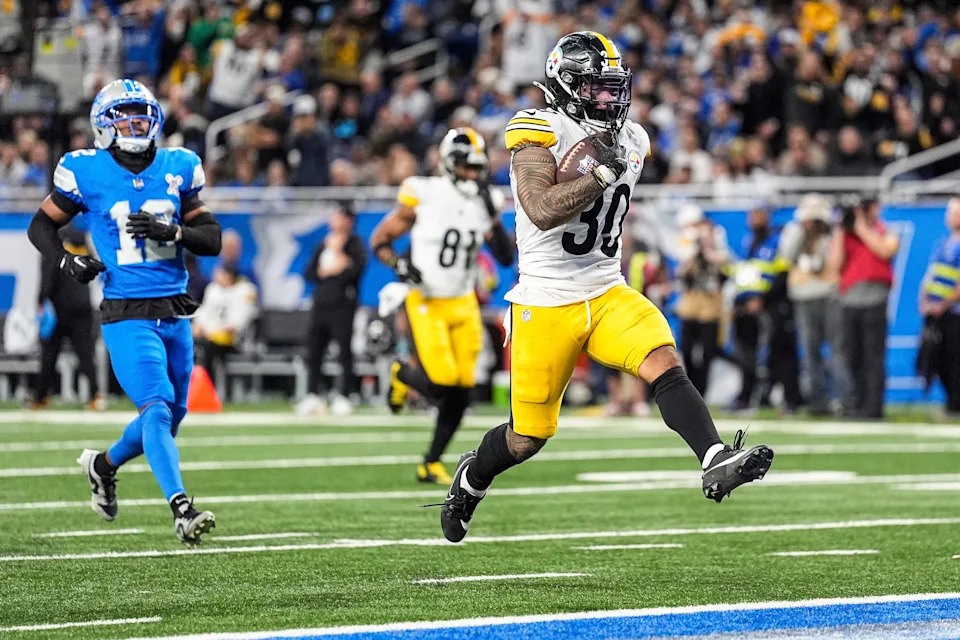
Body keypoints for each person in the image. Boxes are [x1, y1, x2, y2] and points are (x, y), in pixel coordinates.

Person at [438, 33, 773, 543]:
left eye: (614, 87)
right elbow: (541, 209)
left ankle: (714, 458)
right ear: (566, 85)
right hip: (546, 299)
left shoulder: (634, 137)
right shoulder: (538, 129)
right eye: (596, 87)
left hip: (606, 286)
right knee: (527, 437)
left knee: (663, 358)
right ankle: (472, 478)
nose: (609, 97)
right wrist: (597, 175)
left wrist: (603, 166)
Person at [27, 79, 223, 545]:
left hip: (174, 310)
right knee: (156, 407)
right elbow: (41, 226)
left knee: (173, 415)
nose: (135, 124)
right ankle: (181, 509)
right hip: (126, 311)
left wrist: (174, 231)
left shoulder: (178, 166)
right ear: (103, 125)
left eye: (141, 115)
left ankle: (103, 465)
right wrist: (66, 260)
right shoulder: (86, 171)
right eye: (124, 116)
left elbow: (212, 239)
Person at [370, 127, 515, 484]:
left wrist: (491, 216)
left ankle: (430, 463)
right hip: (427, 299)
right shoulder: (423, 192)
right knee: (443, 382)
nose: (473, 174)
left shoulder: (486, 199)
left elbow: (504, 256)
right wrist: (398, 264)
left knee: (464, 389)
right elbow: (380, 241)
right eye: (467, 166)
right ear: (449, 163)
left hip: (463, 300)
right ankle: (402, 373)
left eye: (477, 167)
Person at [828, 196, 898, 419]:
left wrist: (861, 227)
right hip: (850, 300)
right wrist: (841, 230)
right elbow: (834, 265)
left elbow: (885, 251)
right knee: (853, 355)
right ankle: (857, 403)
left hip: (875, 298)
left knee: (873, 355)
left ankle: (873, 406)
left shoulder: (884, 231)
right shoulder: (846, 234)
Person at [779, 194, 849, 416]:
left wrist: (825, 230)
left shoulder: (831, 233)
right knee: (810, 351)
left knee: (838, 350)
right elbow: (787, 255)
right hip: (803, 295)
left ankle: (846, 399)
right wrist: (802, 229)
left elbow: (836, 260)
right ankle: (818, 402)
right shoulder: (794, 230)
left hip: (829, 294)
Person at [25, 222, 105, 411]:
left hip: (58, 306)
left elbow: (48, 274)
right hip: (82, 304)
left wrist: (41, 300)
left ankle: (41, 397)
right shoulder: (80, 238)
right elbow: (91, 266)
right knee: (85, 353)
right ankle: (96, 396)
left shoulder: (51, 241)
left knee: (49, 353)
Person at [297, 203, 367, 416]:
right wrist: (326, 271)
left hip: (342, 305)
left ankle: (345, 394)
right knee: (315, 350)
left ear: (348, 220)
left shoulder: (354, 244)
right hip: (321, 304)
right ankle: (312, 395)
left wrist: (340, 256)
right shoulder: (324, 243)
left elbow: (356, 270)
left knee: (344, 351)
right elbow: (309, 272)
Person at [731, 206, 803, 413]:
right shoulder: (747, 242)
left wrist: (762, 299)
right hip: (746, 306)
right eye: (752, 215)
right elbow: (743, 273)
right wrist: (740, 301)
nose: (754, 219)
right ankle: (746, 397)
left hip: (772, 305)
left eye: (758, 215)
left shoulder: (778, 241)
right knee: (746, 355)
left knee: (781, 353)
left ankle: (790, 399)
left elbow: (782, 273)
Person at [674, 203, 730, 398]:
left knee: (708, 350)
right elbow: (683, 266)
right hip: (691, 298)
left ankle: (702, 392)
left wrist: (707, 246)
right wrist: (694, 246)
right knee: (687, 348)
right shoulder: (687, 239)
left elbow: (723, 263)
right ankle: (692, 388)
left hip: (711, 299)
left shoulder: (717, 235)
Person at [918, 198, 960, 417]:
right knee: (938, 357)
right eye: (952, 213)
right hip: (937, 311)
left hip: (954, 311)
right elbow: (930, 275)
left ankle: (956, 403)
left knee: (955, 358)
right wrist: (924, 301)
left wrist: (944, 304)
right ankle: (951, 402)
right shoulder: (942, 244)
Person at [192, 263, 258, 387]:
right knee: (191, 343)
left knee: (208, 347)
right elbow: (204, 312)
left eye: (220, 273)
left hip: (232, 341)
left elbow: (238, 322)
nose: (216, 275)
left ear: (229, 276)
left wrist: (213, 332)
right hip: (210, 336)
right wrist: (198, 326)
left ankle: (209, 387)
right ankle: (191, 386)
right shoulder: (213, 290)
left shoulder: (244, 291)